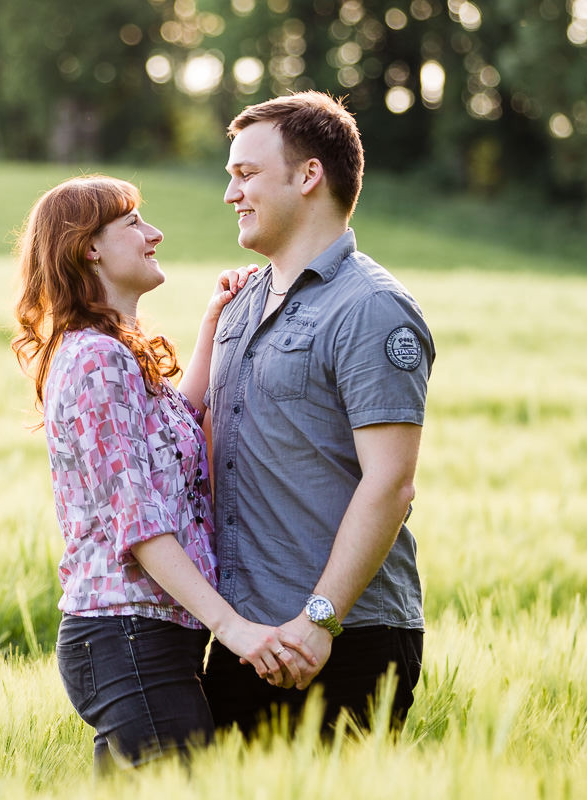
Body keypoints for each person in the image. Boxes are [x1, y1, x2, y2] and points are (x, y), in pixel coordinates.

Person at [11, 175, 317, 773]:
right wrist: (233, 629)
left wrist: (212, 323)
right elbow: (141, 523)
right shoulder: (97, 359)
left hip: (144, 638)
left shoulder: (116, 352)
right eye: (133, 224)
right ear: (89, 247)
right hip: (126, 636)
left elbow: (183, 424)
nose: (154, 234)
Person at [200, 92, 436, 737]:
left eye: (246, 174)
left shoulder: (372, 309)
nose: (231, 194)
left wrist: (318, 621)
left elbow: (390, 482)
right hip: (247, 639)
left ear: (308, 176)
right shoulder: (238, 306)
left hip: (347, 637)